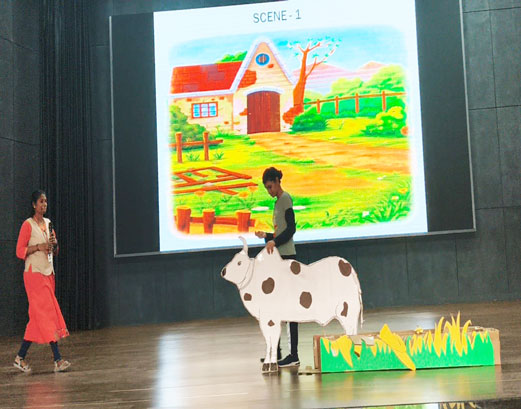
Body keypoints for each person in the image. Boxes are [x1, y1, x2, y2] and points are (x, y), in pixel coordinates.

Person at [13, 190, 71, 373]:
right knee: (47, 315)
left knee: (37, 318)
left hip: (48, 273)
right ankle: (58, 359)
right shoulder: (28, 225)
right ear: (33, 205)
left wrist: (53, 246)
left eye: (45, 201)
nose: (44, 205)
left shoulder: (48, 223)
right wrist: (38, 246)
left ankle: (20, 357)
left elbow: (55, 251)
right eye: (40, 202)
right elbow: (19, 251)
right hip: (34, 274)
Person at [255, 167, 300, 368]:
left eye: (270, 186)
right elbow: (280, 233)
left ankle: (294, 354)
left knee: (289, 307)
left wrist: (274, 241)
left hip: (287, 257)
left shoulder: (285, 199)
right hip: (279, 258)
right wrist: (266, 236)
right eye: (266, 188)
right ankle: (276, 351)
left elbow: (291, 229)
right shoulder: (277, 203)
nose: (269, 190)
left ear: (277, 181)